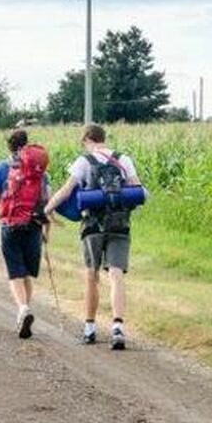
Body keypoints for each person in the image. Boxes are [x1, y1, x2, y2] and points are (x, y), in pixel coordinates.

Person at [44, 123, 142, 350]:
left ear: (88, 139)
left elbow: (66, 191)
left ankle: (90, 328)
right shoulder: (123, 159)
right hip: (120, 224)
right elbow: (137, 190)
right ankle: (117, 326)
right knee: (116, 274)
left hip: (92, 227)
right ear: (103, 138)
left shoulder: (84, 162)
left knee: (92, 275)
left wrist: (47, 209)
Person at [0, 129, 50, 339]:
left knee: (14, 272)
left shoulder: (1, 168)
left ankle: (23, 310)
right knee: (26, 272)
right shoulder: (40, 170)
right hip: (34, 224)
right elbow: (46, 202)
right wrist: (47, 229)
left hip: (9, 225)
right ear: (26, 145)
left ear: (8, 145)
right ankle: (24, 310)